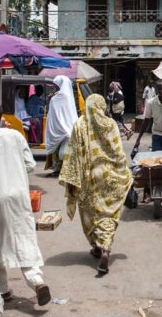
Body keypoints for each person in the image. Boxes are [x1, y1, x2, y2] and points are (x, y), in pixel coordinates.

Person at [0, 103, 51, 306]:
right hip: (19, 196)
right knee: (24, 238)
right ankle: (37, 281)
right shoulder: (15, 135)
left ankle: (3, 290)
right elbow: (31, 164)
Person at [60, 94, 133, 275]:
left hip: (89, 178)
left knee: (91, 214)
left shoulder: (79, 125)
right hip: (110, 175)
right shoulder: (110, 124)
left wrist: (71, 181)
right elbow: (118, 152)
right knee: (108, 213)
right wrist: (125, 173)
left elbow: (74, 154)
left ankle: (98, 246)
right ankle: (105, 249)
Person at [45, 76, 79, 176]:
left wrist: (52, 98)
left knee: (59, 152)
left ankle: (58, 170)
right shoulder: (67, 96)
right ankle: (63, 170)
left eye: (55, 85)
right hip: (68, 127)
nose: (54, 86)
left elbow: (56, 113)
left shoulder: (59, 97)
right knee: (63, 151)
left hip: (59, 129)